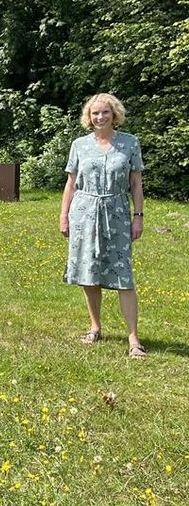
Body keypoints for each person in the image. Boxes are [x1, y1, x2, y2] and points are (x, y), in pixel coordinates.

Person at [59, 93, 146, 359]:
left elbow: (135, 183)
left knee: (123, 275)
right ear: (89, 116)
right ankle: (95, 326)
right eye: (95, 113)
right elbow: (71, 183)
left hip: (117, 213)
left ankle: (134, 339)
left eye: (105, 113)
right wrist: (64, 216)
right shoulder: (79, 145)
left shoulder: (130, 143)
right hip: (84, 213)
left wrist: (138, 216)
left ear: (114, 114)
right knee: (89, 271)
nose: (100, 117)